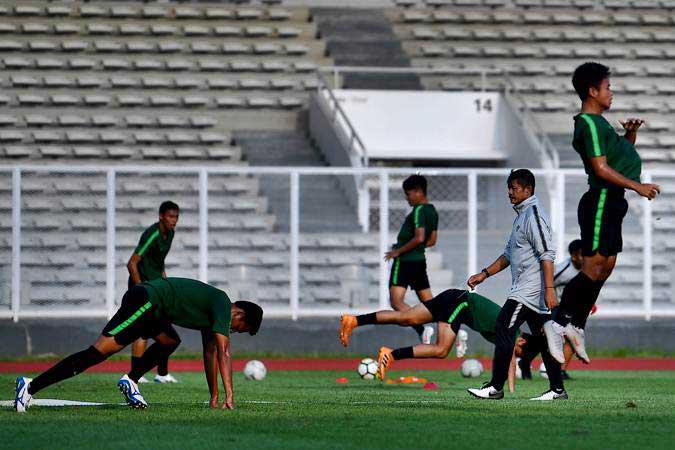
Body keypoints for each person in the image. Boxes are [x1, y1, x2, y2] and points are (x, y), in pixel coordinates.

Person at [544, 62, 660, 365]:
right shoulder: (588, 123)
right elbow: (600, 168)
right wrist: (637, 186)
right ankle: (556, 324)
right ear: (592, 91)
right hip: (600, 201)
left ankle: (576, 325)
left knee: (605, 267)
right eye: (608, 87)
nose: (612, 93)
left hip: (613, 201)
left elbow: (615, 159)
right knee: (593, 267)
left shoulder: (601, 123)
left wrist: (629, 135)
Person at [14, 277, 263, 413]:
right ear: (240, 315)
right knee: (97, 353)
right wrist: (231, 395)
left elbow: (210, 354)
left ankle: (131, 380)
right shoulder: (222, 303)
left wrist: (215, 397)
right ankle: (30, 386)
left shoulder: (215, 317)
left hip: (154, 309)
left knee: (169, 341)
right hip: (145, 300)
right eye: (242, 329)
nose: (235, 332)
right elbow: (224, 351)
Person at [466, 169, 567, 401]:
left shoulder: (533, 215)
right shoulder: (521, 216)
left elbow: (547, 254)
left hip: (530, 291)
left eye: (514, 188)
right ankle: (557, 390)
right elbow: (508, 255)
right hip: (528, 290)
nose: (509, 192)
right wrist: (484, 274)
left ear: (528, 190)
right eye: (509, 188)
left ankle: (495, 387)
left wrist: (550, 289)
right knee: (543, 338)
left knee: (503, 326)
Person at [340, 288, 520, 392]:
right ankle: (392, 354)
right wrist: (510, 390)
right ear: (523, 342)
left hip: (453, 297)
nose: (517, 351)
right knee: (441, 350)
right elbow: (510, 359)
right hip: (460, 303)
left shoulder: (499, 332)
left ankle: (354, 320)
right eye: (521, 350)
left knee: (405, 318)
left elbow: (507, 356)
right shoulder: (515, 331)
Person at [519, 239, 587, 380]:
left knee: (572, 338)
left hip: (572, 311)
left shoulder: (587, 269)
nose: (586, 258)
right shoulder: (563, 270)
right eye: (582, 255)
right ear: (574, 256)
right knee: (546, 340)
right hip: (555, 308)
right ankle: (525, 361)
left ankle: (561, 371)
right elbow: (546, 283)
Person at [127, 201, 179, 383]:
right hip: (144, 288)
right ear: (161, 216)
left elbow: (158, 261)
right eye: (171, 216)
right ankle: (136, 374)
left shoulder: (170, 234)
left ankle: (162, 374)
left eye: (176, 217)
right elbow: (132, 263)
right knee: (144, 330)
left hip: (158, 288)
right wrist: (140, 288)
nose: (174, 220)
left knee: (164, 327)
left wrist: (165, 282)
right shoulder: (153, 233)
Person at [384, 174, 439, 344]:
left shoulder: (418, 211)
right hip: (419, 262)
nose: (407, 198)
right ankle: (453, 329)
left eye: (408, 194)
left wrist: (398, 251)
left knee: (396, 301)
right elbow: (432, 240)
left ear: (418, 192)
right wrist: (415, 248)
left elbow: (420, 237)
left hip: (405, 262)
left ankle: (422, 329)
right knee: (432, 305)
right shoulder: (432, 211)